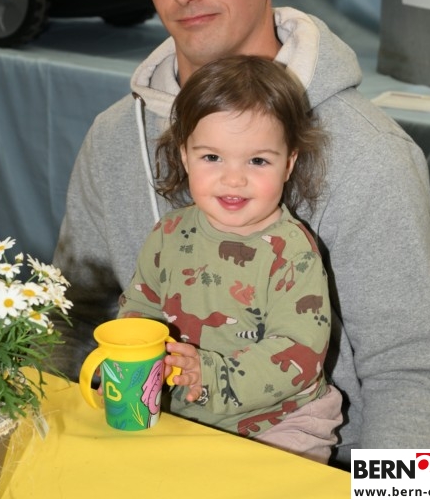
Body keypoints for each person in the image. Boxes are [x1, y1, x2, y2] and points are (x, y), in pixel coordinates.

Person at [52, 0, 430, 467]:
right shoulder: (114, 136)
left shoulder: (372, 152)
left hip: (315, 468)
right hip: (146, 456)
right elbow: (72, 315)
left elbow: (414, 373)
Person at [117, 54, 342, 463]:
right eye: (212, 157)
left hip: (279, 421)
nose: (234, 178)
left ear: (288, 163)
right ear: (184, 155)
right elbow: (141, 306)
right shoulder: (168, 233)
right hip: (185, 413)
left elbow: (298, 353)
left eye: (258, 160)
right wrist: (127, 359)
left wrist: (210, 374)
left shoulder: (292, 251)